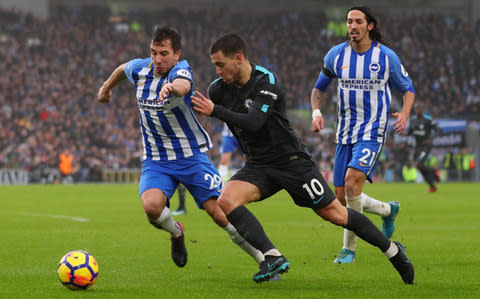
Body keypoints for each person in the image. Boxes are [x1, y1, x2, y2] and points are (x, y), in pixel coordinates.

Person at [191, 33, 414, 284]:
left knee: (336, 214)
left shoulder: (267, 82)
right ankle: (272, 256)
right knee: (227, 200)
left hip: (291, 161)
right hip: (259, 165)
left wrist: (215, 111)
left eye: (220, 64)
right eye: (215, 66)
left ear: (239, 58)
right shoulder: (217, 90)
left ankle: (393, 251)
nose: (217, 70)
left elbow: (254, 122)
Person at [97, 26, 265, 270]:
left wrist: (171, 87)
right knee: (151, 208)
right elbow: (123, 68)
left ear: (177, 54)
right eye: (154, 52)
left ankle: (264, 259)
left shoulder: (180, 69)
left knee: (221, 214)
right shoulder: (141, 69)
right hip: (156, 160)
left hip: (190, 157)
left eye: (164, 53)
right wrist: (106, 87)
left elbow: (184, 85)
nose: (158, 59)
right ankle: (177, 234)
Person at [310, 6, 415, 264]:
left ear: (370, 26)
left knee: (351, 181)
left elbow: (408, 89)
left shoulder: (386, 57)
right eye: (349, 21)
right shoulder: (336, 55)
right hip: (345, 132)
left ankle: (349, 250)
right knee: (341, 196)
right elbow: (318, 89)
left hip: (372, 130)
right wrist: (315, 112)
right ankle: (388, 210)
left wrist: (404, 114)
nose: (352, 26)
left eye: (358, 21)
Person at [406, 103, 440, 192]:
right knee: (419, 167)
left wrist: (430, 140)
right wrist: (403, 133)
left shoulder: (428, 119)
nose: (418, 110)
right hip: (418, 147)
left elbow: (438, 130)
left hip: (426, 146)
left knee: (418, 164)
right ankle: (432, 186)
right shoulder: (412, 120)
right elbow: (410, 132)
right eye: (416, 109)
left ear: (422, 109)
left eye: (419, 108)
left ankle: (434, 172)